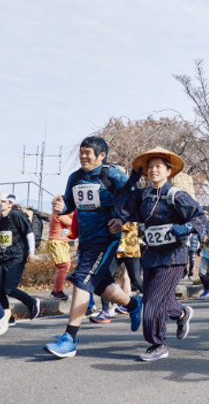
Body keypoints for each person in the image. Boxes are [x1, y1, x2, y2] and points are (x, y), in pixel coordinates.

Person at [44, 137, 139, 358]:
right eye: (81, 153)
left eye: (88, 153)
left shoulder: (113, 175)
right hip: (85, 240)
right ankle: (134, 304)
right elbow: (70, 204)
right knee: (99, 284)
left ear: (102, 156)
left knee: (82, 280)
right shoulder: (75, 177)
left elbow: (133, 202)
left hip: (106, 238)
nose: (83, 157)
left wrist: (121, 221)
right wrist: (62, 206)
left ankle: (70, 339)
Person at [114, 147, 206, 361]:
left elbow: (200, 217)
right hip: (151, 255)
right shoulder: (143, 196)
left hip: (174, 256)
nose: (153, 170)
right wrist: (130, 182)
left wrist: (187, 228)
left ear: (168, 171)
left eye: (158, 167)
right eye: (150, 167)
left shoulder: (177, 195)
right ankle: (182, 313)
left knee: (153, 303)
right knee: (161, 299)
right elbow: (121, 207)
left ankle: (158, 344)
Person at [0, 193, 40, 327]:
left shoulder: (16, 215)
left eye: (2, 201)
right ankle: (7, 318)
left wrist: (32, 252)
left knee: (9, 289)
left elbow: (29, 233)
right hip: (2, 257)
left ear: (9, 204)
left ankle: (32, 302)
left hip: (17, 256)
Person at [47, 197, 72, 300]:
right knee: (64, 266)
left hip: (58, 242)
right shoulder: (60, 214)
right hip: (57, 243)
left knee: (63, 266)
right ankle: (58, 291)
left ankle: (56, 290)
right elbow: (72, 223)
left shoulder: (55, 214)